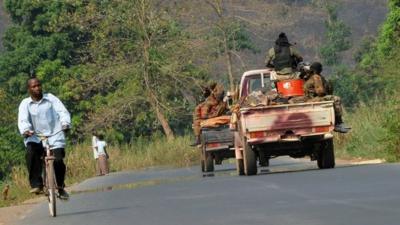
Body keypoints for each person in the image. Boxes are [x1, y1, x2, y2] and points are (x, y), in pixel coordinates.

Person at [18, 77, 71, 199]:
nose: (37, 88)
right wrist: (26, 130)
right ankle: (37, 184)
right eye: (34, 86)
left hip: (55, 134)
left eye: (38, 85)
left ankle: (60, 187)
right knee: (31, 154)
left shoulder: (51, 98)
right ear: (29, 89)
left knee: (58, 160)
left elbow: (62, 112)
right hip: (35, 136)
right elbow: (23, 119)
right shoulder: (25, 103)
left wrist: (65, 124)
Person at [303, 62, 351, 133]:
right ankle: (338, 122)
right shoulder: (316, 77)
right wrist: (327, 93)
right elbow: (320, 92)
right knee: (336, 99)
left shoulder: (310, 77)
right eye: (320, 68)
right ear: (318, 69)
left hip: (309, 98)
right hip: (313, 99)